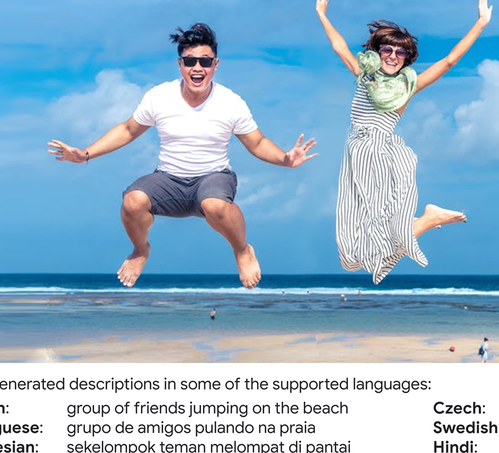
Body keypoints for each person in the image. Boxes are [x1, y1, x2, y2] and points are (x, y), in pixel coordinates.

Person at [48, 23, 316, 289]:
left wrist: (285, 159)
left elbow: (256, 142)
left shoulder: (231, 102)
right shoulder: (159, 96)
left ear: (215, 65)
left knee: (214, 205)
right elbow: (128, 130)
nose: (197, 68)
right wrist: (84, 154)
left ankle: (242, 250)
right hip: (169, 180)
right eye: (190, 61)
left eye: (204, 61)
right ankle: (140, 250)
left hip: (214, 178)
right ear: (180, 65)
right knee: (132, 201)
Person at [316, 0, 492, 284]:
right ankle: (426, 220)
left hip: (380, 152)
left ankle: (428, 219)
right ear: (377, 51)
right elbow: (339, 47)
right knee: (351, 254)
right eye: (387, 50)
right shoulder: (365, 74)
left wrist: (480, 24)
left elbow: (449, 61)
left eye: (401, 53)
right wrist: (322, 15)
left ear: (407, 58)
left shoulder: (408, 86)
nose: (393, 57)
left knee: (379, 239)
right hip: (356, 152)